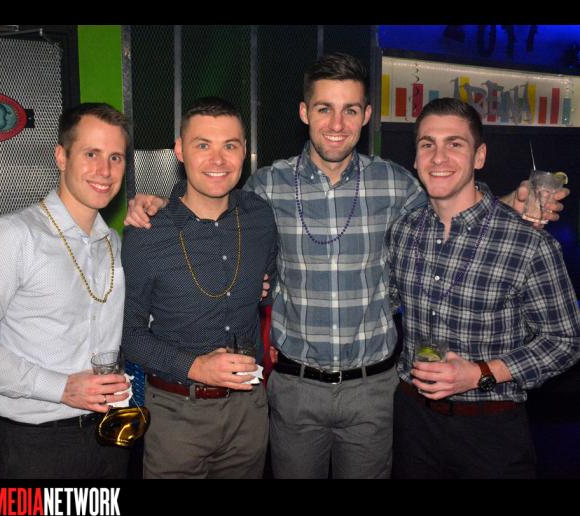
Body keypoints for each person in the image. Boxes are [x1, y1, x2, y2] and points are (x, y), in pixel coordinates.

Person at [124, 53, 569, 479]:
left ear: (366, 115)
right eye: (325, 109)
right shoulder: (266, 188)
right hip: (294, 390)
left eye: (350, 110)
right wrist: (161, 204)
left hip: (373, 392)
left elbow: (451, 207)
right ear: (305, 112)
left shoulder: (396, 184)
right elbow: (210, 203)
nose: (337, 125)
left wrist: (509, 202)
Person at [386, 97, 580, 478]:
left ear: (479, 156)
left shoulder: (528, 243)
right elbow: (385, 300)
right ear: (416, 158)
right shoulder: (403, 232)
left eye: (455, 144)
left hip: (490, 431)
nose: (438, 157)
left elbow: (567, 340)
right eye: (428, 144)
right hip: (413, 423)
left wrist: (480, 373)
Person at [0, 103, 132, 478]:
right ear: (61, 157)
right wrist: (60, 387)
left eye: (116, 157)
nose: (105, 170)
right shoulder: (12, 236)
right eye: (91, 154)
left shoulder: (112, 242)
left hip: (110, 434)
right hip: (37, 446)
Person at [121, 97, 277, 478]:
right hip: (175, 416)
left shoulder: (260, 216)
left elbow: (270, 284)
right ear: (180, 150)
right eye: (203, 145)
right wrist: (196, 367)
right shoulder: (146, 232)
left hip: (249, 413)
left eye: (230, 146)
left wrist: (263, 289)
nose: (218, 160)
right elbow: (128, 335)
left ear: (244, 151)